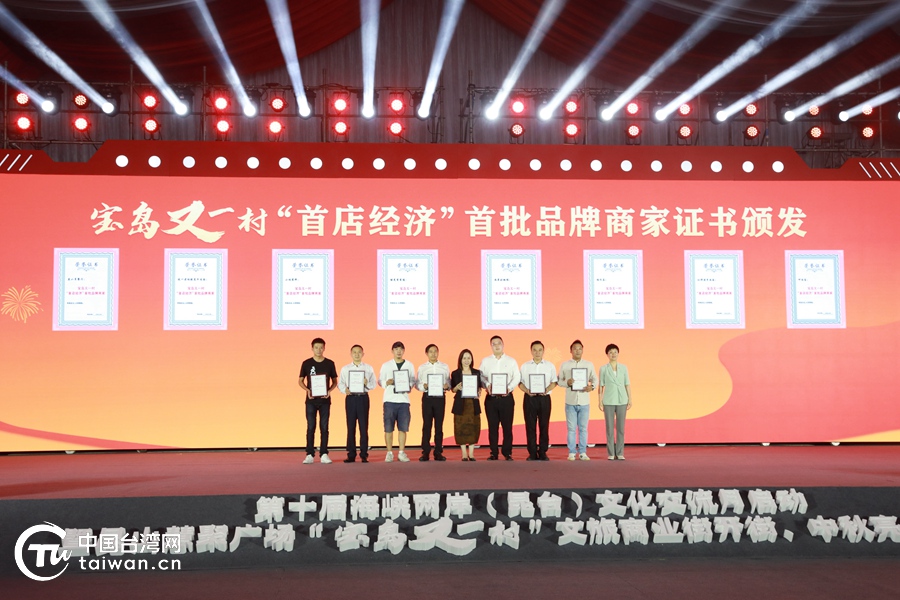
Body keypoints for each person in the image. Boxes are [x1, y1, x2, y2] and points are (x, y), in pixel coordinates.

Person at [478, 335, 520, 460]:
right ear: (491, 346)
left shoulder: (511, 361)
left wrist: (509, 387)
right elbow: (480, 377)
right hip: (491, 399)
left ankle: (507, 453)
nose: (497, 346)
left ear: (503, 345)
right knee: (492, 427)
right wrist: (487, 385)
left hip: (507, 399)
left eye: (499, 343)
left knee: (507, 427)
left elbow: (517, 377)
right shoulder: (485, 361)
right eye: (494, 344)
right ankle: (494, 452)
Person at [297, 337, 338, 464]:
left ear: (324, 348)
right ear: (312, 348)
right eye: (316, 347)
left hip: (325, 401)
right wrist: (307, 390)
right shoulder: (306, 363)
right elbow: (300, 381)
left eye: (321, 347)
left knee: (324, 427)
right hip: (311, 401)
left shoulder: (330, 363)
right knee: (311, 427)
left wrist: (329, 391)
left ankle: (324, 453)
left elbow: (335, 381)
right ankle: (309, 454)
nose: (319, 350)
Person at [558, 339, 597, 461]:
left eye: (580, 348)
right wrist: (567, 382)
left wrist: (592, 387)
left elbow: (595, 379)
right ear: (571, 350)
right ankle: (571, 452)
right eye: (575, 348)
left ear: (583, 350)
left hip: (584, 401)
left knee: (583, 429)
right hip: (570, 401)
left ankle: (583, 452)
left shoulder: (589, 365)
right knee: (571, 429)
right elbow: (559, 381)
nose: (577, 351)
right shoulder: (565, 365)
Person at [337, 344, 377, 463]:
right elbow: (340, 383)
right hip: (351, 398)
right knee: (350, 427)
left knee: (363, 427)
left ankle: (364, 454)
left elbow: (374, 384)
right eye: (354, 352)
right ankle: (351, 454)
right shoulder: (345, 369)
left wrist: (366, 383)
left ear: (363, 354)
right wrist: (345, 390)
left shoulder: (368, 368)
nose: (357, 354)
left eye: (359, 352)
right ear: (351, 354)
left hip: (363, 398)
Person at [518, 340, 557, 461]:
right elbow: (519, 383)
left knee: (544, 425)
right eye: (534, 350)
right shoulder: (525, 366)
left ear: (543, 351)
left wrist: (547, 389)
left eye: (540, 350)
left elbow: (554, 382)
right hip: (530, 398)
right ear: (531, 351)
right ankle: (532, 452)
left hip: (544, 398)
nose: (537, 352)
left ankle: (543, 452)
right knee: (530, 426)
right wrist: (527, 390)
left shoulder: (549, 366)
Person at [378, 341, 417, 463]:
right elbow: (380, 380)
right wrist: (386, 383)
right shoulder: (386, 365)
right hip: (389, 400)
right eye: (396, 349)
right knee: (388, 428)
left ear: (404, 351)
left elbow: (412, 380)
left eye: (400, 349)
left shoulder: (409, 365)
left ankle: (401, 452)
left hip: (403, 400)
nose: (398, 351)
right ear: (392, 351)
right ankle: (389, 453)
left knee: (403, 428)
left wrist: (408, 386)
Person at [416, 343, 451, 461]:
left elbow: (449, 382)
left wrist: (447, 386)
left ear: (438, 352)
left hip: (440, 398)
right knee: (427, 425)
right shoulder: (422, 368)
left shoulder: (444, 367)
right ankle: (425, 452)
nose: (433, 354)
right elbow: (417, 384)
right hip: (427, 398)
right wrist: (424, 386)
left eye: (435, 351)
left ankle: (438, 452)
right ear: (426, 353)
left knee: (439, 426)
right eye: (431, 352)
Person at [599, 343, 632, 460]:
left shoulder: (624, 368)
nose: (613, 354)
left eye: (615, 352)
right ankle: (611, 453)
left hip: (622, 400)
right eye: (610, 352)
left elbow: (627, 384)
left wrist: (630, 399)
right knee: (609, 428)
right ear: (607, 354)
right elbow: (601, 386)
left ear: (618, 353)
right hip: (608, 400)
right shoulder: (603, 368)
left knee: (620, 427)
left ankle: (620, 452)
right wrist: (600, 401)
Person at [450, 349, 483, 461]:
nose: (466, 360)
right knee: (460, 427)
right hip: (460, 404)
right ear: (460, 359)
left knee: (474, 426)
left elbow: (479, 387)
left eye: (469, 358)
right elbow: (452, 390)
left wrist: (479, 392)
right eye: (464, 358)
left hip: (473, 403)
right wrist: (456, 387)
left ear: (472, 359)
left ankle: (472, 454)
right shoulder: (455, 373)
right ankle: (464, 453)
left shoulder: (476, 372)